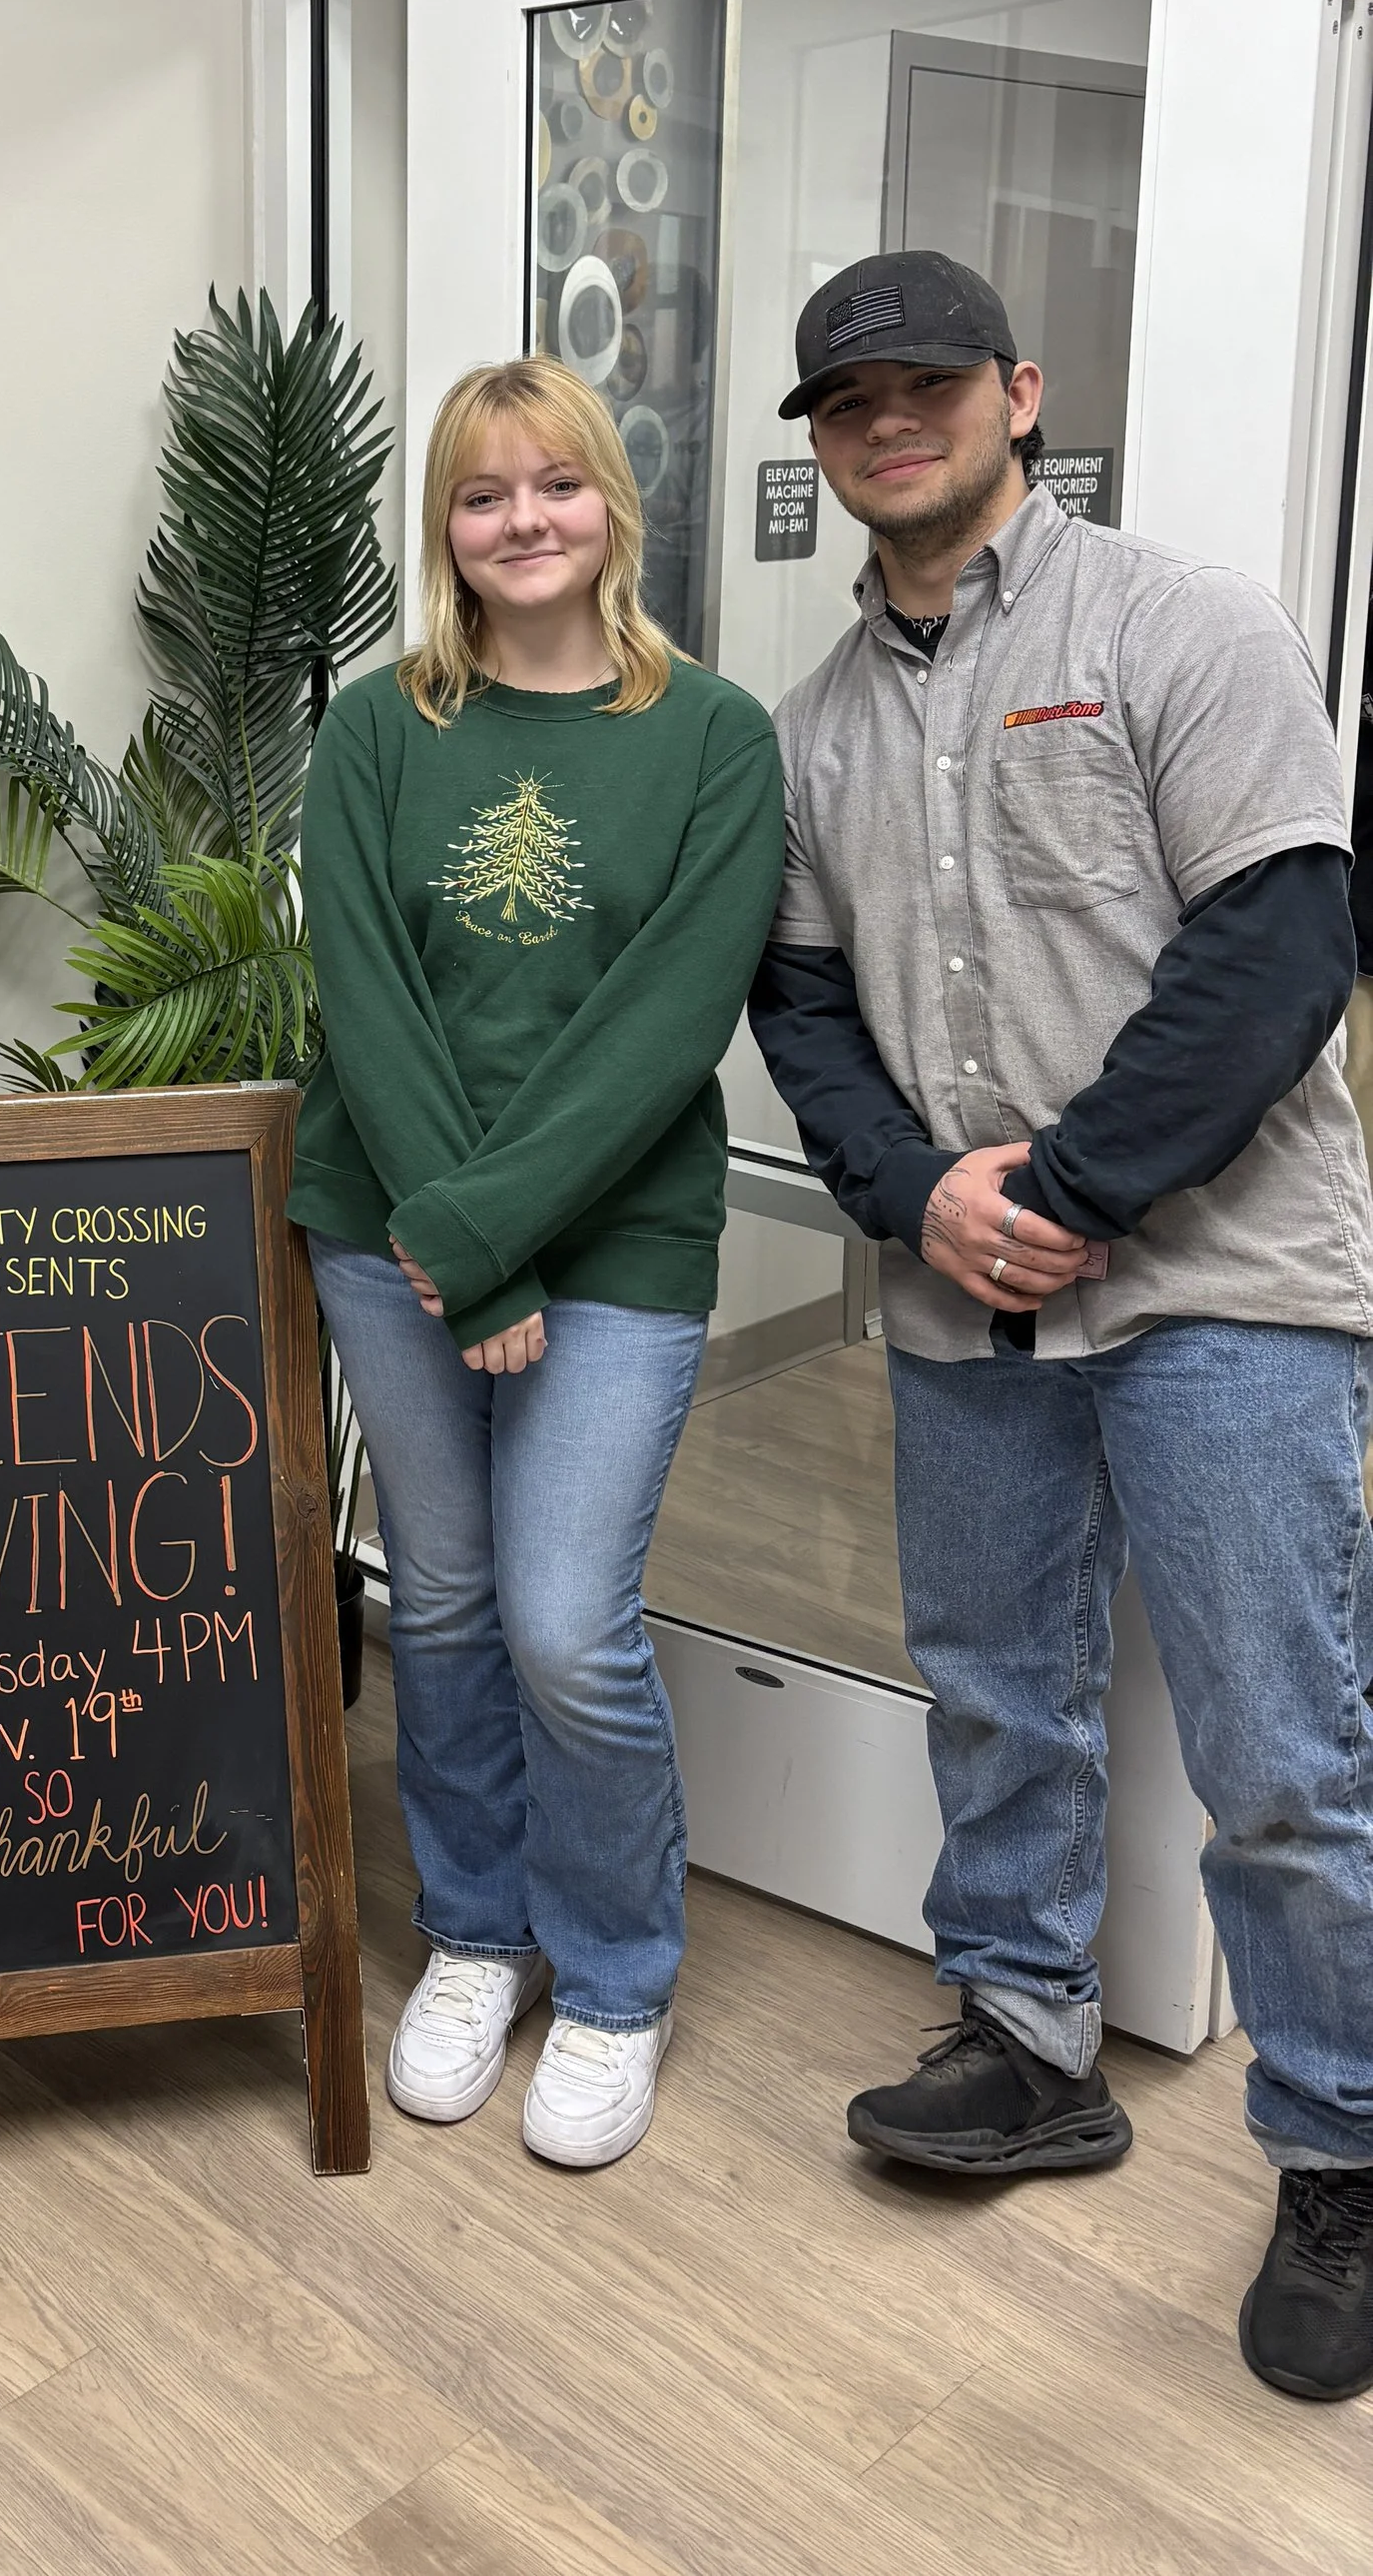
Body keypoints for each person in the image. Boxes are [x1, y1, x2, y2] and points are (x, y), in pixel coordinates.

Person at [748, 247, 1373, 2404]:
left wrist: (1068, 1189)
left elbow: (1281, 943)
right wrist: (919, 1196)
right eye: (846, 403)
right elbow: (803, 1013)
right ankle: (1024, 2040)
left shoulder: (1179, 625)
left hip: (1221, 1286)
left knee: (1282, 1748)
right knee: (997, 1690)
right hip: (962, 1303)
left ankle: (1340, 2146)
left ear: (1019, 395)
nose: (885, 421)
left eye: (924, 383)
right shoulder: (812, 730)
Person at [293, 358, 783, 2168]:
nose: (524, 521)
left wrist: (493, 1240)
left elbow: (664, 1028)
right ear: (445, 528)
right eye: (484, 494)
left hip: (617, 1245)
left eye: (556, 484)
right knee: (436, 1603)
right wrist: (462, 1252)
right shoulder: (378, 730)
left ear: (611, 505)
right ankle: (478, 1932)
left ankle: (616, 1976)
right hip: (390, 1235)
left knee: (565, 1623)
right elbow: (368, 999)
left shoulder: (714, 737)